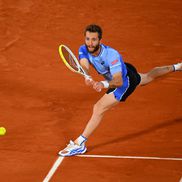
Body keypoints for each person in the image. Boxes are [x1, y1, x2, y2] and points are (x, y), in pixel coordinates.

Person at [59, 24, 182, 157]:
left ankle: (79, 144)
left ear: (100, 40)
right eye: (88, 39)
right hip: (127, 70)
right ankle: (177, 67)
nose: (90, 43)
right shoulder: (84, 48)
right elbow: (84, 64)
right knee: (147, 77)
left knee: (99, 108)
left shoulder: (111, 55)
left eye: (94, 40)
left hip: (125, 82)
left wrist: (103, 84)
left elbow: (118, 82)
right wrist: (87, 75)